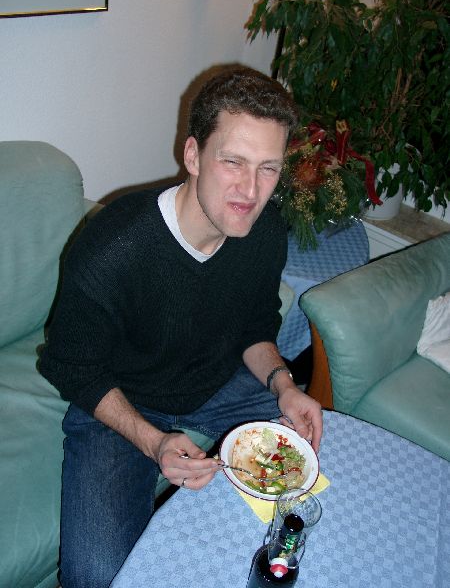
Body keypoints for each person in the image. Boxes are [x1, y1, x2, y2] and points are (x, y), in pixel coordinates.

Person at [38, 66, 323, 587]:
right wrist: (154, 442)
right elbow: (71, 367)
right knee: (95, 575)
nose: (251, 190)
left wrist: (283, 384)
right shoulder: (114, 248)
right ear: (193, 155)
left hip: (216, 382)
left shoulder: (265, 232)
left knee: (309, 470)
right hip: (122, 400)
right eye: (233, 162)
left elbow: (255, 325)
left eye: (268, 168)